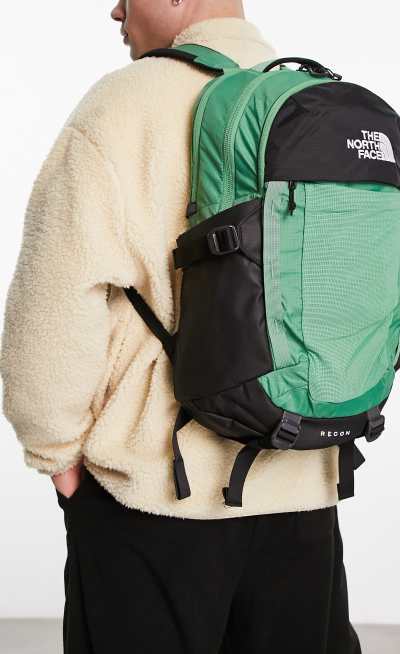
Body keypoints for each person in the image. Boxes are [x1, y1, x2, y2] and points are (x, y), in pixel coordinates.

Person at [1, 1, 361, 652]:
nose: (116, 9)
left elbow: (50, 310)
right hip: (303, 483)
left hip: (157, 492)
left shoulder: (123, 105)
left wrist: (56, 456)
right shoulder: (314, 99)